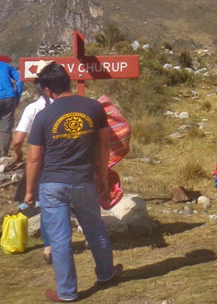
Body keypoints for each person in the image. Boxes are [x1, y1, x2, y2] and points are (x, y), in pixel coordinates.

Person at [24, 62, 122, 302]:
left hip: (52, 184)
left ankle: (67, 293)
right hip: (84, 180)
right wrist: (101, 177)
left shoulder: (43, 116)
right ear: (67, 82)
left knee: (59, 239)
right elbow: (103, 144)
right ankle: (106, 273)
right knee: (95, 227)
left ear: (48, 91)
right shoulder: (93, 107)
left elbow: (34, 158)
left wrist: (28, 192)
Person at [12, 80, 54, 263]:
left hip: (40, 161)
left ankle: (49, 246)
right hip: (64, 159)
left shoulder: (32, 109)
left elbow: (18, 140)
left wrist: (18, 155)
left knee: (46, 205)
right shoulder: (62, 106)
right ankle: (88, 240)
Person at [1, 56, 23, 156]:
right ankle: (2, 155)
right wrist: (17, 95)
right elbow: (20, 79)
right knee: (6, 127)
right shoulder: (7, 66)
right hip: (9, 97)